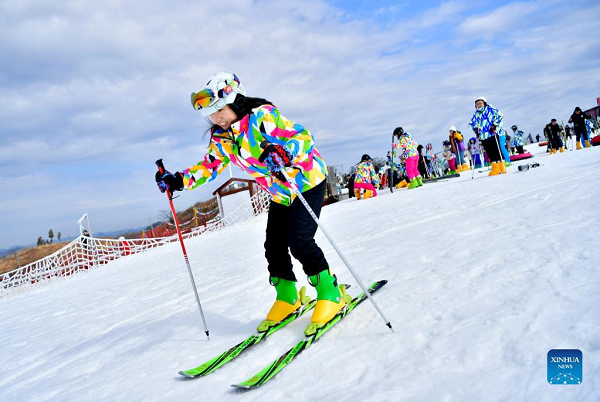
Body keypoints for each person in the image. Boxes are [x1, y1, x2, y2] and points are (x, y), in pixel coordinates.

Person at [155, 72, 351, 336]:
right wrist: (179, 180)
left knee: (300, 240)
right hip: (281, 191)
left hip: (305, 181)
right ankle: (288, 297)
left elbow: (303, 138)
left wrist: (284, 152)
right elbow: (210, 166)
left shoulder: (262, 117)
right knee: (273, 245)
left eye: (219, 111)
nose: (216, 118)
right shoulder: (222, 137)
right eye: (211, 115)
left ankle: (330, 292)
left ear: (235, 101)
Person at [469, 96, 507, 176]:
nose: (479, 105)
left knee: (496, 150)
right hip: (483, 136)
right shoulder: (476, 114)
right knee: (489, 152)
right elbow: (471, 123)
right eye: (477, 104)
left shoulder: (490, 109)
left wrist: (495, 125)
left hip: (491, 133)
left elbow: (500, 116)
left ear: (484, 103)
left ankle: (502, 166)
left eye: (480, 103)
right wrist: (475, 129)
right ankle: (495, 167)